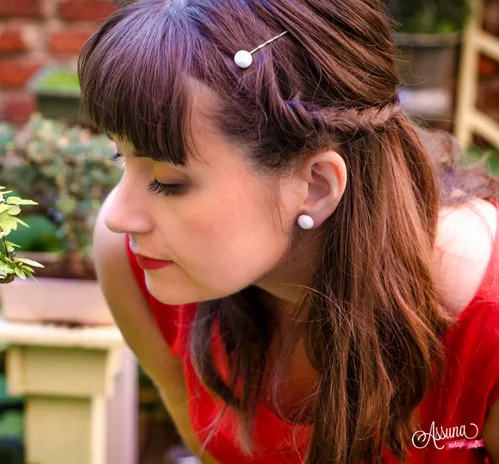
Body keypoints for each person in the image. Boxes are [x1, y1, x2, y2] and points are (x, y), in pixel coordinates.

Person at [78, 0, 499, 462]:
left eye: (169, 181)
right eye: (120, 156)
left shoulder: (487, 325)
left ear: (315, 187)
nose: (118, 215)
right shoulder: (133, 262)